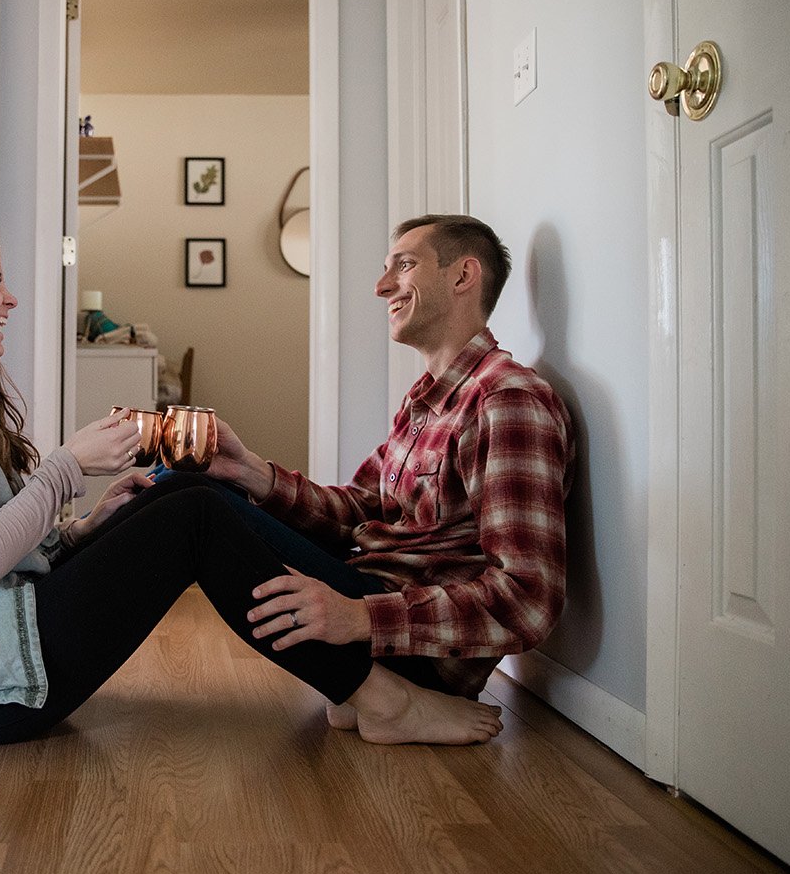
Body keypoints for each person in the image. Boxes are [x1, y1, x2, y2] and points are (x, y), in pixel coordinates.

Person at [0, 224, 506, 750]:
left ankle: (361, 685)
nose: (12, 298)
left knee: (180, 487)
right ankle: (376, 694)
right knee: (196, 517)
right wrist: (67, 467)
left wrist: (89, 524)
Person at [194, 213, 575, 729]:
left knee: (194, 510)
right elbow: (357, 508)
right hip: (369, 600)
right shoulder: (426, 401)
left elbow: (528, 598)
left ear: (463, 277)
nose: (381, 286)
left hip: (411, 645)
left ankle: (392, 699)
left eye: (405, 265)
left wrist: (359, 618)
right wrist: (251, 472)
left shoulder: (507, 401)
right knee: (196, 484)